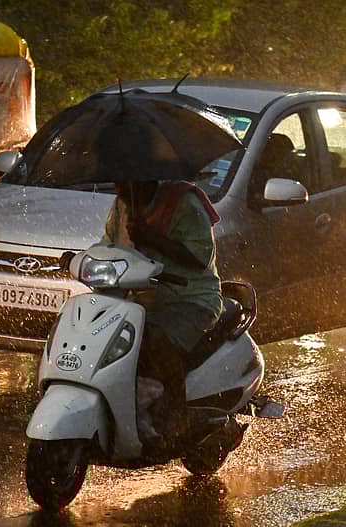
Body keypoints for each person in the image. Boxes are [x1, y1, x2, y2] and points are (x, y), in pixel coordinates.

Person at [97, 120, 224, 449]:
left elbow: (199, 257)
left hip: (190, 299)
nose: (120, 185)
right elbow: (108, 245)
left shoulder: (185, 203)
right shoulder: (123, 206)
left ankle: (177, 418)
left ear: (149, 175)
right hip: (138, 299)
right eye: (118, 178)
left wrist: (153, 238)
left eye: (128, 178)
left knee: (157, 342)